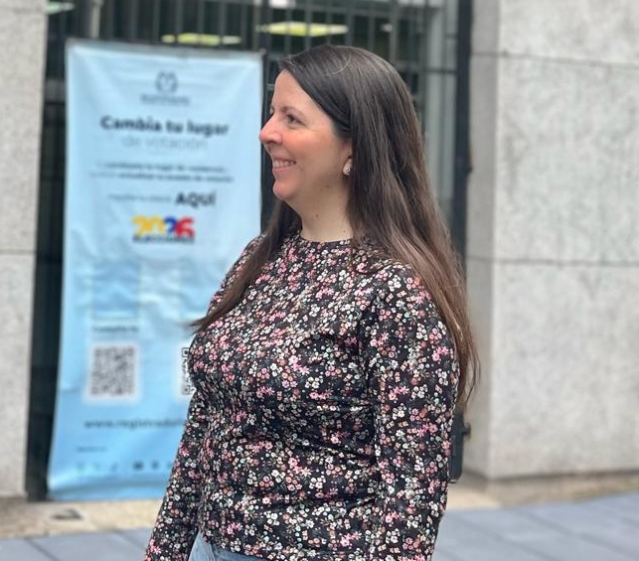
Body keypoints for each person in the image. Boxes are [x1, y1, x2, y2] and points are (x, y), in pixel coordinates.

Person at [145, 44, 477, 561]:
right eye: (271, 113)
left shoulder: (395, 291)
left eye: (291, 118)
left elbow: (410, 499)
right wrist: (165, 550)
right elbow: (205, 425)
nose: (267, 132)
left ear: (355, 148)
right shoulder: (260, 258)